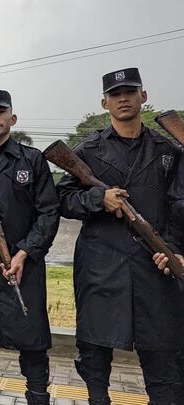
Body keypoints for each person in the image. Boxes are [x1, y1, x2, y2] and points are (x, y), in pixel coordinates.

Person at [56, 67, 184, 404]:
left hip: (156, 267)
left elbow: (179, 205)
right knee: (95, 362)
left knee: (165, 365)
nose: (123, 98)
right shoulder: (86, 150)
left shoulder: (168, 149)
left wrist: (174, 248)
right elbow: (63, 200)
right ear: (104, 102)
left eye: (130, 91)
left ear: (143, 96)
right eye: (115, 94)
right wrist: (99, 199)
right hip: (102, 265)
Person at [0, 90, 60, 404]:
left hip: (23, 265)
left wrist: (25, 251)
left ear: (12, 119)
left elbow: (48, 211)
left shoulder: (32, 160)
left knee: (32, 345)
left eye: (0, 112)